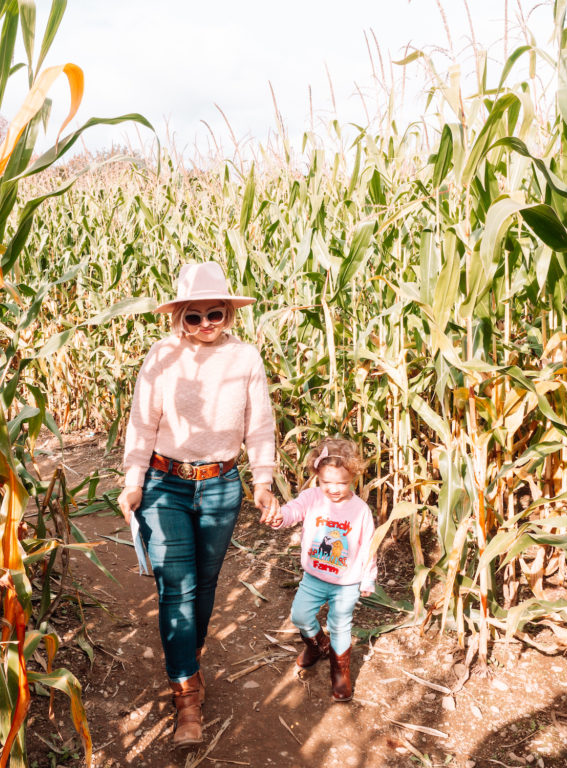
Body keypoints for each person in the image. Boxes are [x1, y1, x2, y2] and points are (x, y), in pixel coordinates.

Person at [119, 261, 277, 746]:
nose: (206, 324)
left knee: (204, 586)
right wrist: (133, 481)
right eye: (194, 316)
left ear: (229, 313)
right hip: (166, 484)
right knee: (177, 587)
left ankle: (189, 656)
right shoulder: (162, 356)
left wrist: (264, 480)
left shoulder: (246, 357)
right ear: (178, 317)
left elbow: (260, 424)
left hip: (222, 484)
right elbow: (142, 423)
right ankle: (186, 695)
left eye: (216, 314)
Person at [260, 437, 375, 702]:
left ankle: (340, 672)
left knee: (340, 625)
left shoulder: (360, 510)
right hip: (314, 577)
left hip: (346, 582)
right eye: (327, 482)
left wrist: (368, 578)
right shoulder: (312, 498)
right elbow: (293, 511)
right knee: (300, 616)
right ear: (317, 476)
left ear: (353, 477)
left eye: (342, 483)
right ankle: (317, 645)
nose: (334, 489)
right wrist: (279, 517)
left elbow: (370, 545)